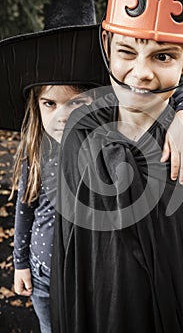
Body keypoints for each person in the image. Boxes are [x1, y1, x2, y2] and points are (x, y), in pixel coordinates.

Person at [50, 0, 183, 332]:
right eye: (127, 52)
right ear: (107, 47)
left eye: (163, 56)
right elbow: (70, 258)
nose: (142, 72)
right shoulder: (80, 134)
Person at [12, 84, 93, 333]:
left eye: (76, 103)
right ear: (37, 106)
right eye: (50, 104)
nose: (62, 115)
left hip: (85, 277)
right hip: (42, 272)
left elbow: (176, 96)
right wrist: (20, 263)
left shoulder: (104, 148)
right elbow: (25, 208)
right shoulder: (36, 148)